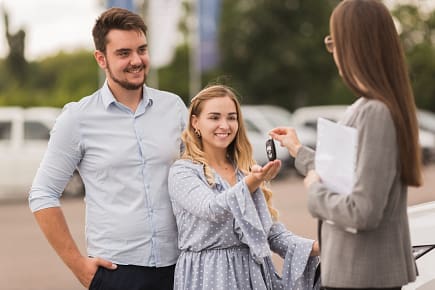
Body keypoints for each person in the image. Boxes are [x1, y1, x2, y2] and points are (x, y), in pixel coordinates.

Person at [28, 7, 187, 290]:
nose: (136, 60)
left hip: (180, 267)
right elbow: (42, 194)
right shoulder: (77, 119)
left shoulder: (174, 108)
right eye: (124, 53)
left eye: (142, 50)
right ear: (101, 58)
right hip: (117, 274)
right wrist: (79, 267)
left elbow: (202, 173)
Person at [270, 0, 422, 289]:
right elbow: (345, 175)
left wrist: (314, 190)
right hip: (356, 273)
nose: (333, 52)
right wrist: (298, 151)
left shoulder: (376, 112)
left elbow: (362, 210)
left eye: (333, 42)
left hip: (362, 276)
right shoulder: (369, 106)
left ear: (355, 46)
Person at [168, 84, 320, 290]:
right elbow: (211, 209)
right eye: (214, 117)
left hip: (252, 278)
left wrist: (318, 247)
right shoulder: (183, 171)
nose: (225, 125)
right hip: (209, 277)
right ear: (195, 122)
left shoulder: (245, 171)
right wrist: (251, 184)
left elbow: (271, 234)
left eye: (231, 117)